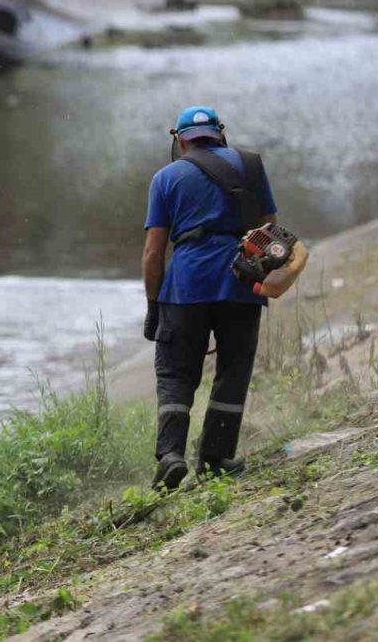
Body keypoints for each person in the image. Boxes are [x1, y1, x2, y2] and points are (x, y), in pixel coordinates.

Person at [141, 105, 277, 491]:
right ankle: (215, 459)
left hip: (186, 286)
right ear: (220, 133)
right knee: (233, 369)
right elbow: (269, 230)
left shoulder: (166, 178)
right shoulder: (250, 166)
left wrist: (154, 306)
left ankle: (170, 456)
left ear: (179, 139)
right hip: (240, 281)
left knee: (175, 372)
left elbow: (153, 253)